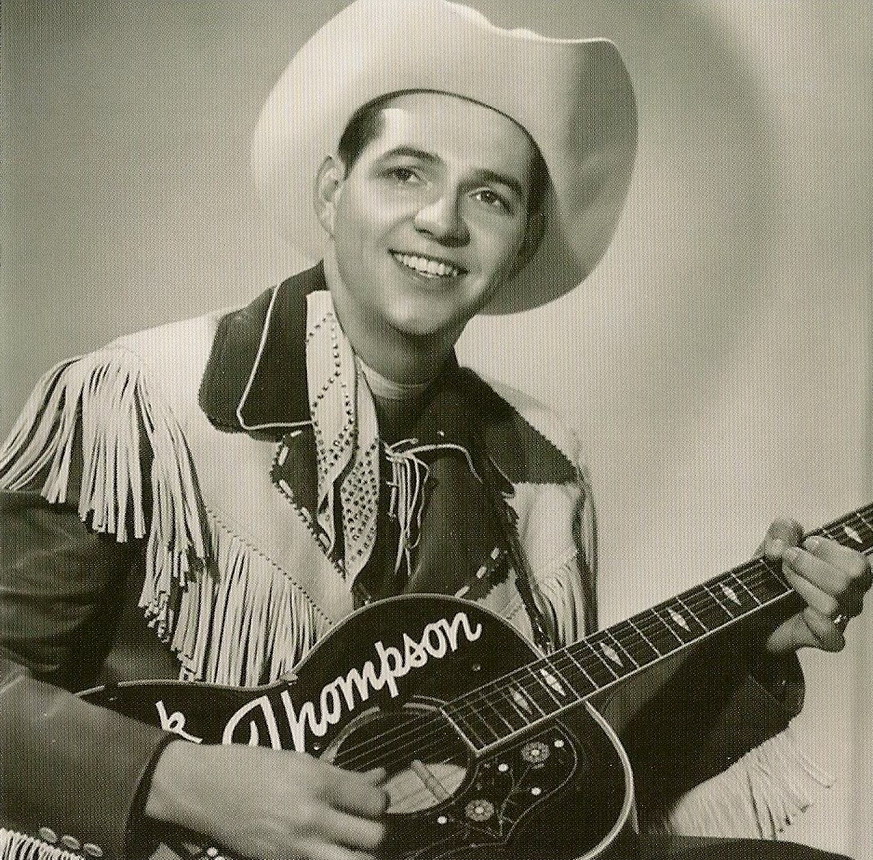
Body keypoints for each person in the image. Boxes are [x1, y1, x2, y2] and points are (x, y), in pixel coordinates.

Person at [0, 1, 869, 859]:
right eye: (405, 174)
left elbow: (554, 776)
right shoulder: (139, 400)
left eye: (489, 196)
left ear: (523, 241)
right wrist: (182, 779)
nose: (442, 222)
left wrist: (749, 642)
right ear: (333, 192)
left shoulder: (541, 467)